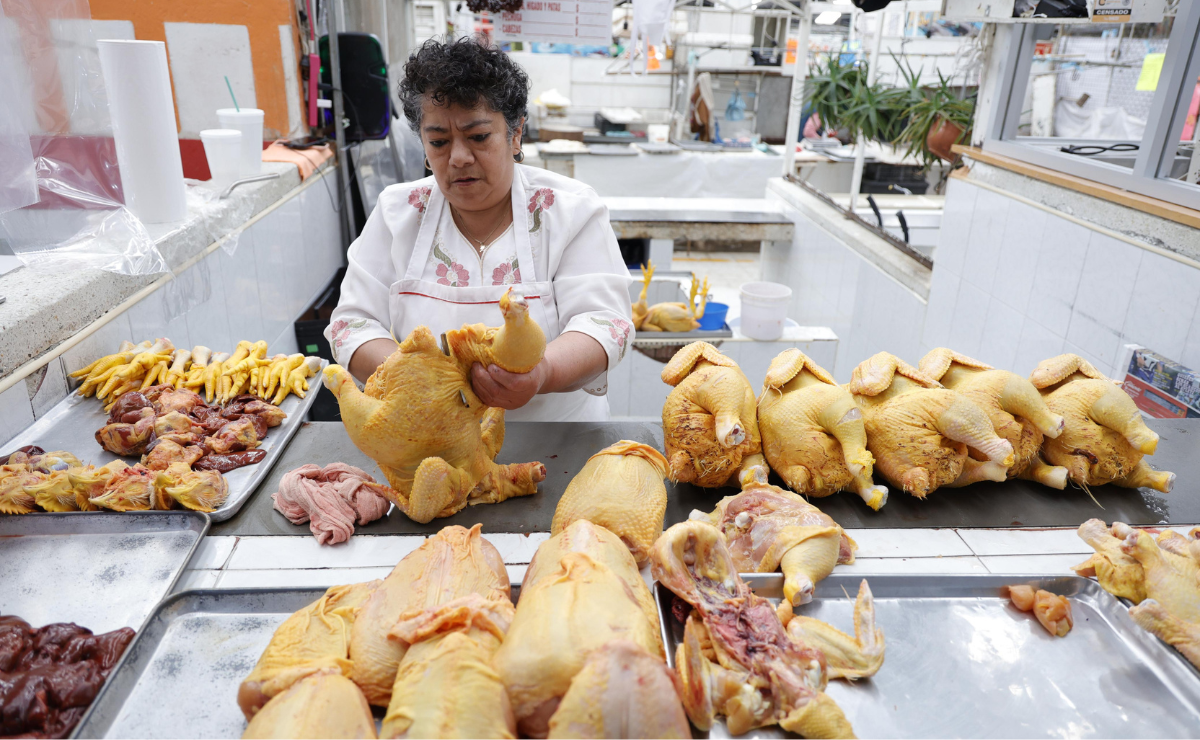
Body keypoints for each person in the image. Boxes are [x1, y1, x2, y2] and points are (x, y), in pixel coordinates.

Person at [325, 37, 634, 422]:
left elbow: (605, 322)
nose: (457, 158)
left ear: (515, 133)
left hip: (559, 445)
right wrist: (418, 379)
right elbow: (351, 324)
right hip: (433, 447)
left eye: (478, 137)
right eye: (438, 141)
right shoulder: (397, 213)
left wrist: (543, 373)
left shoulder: (570, 210)